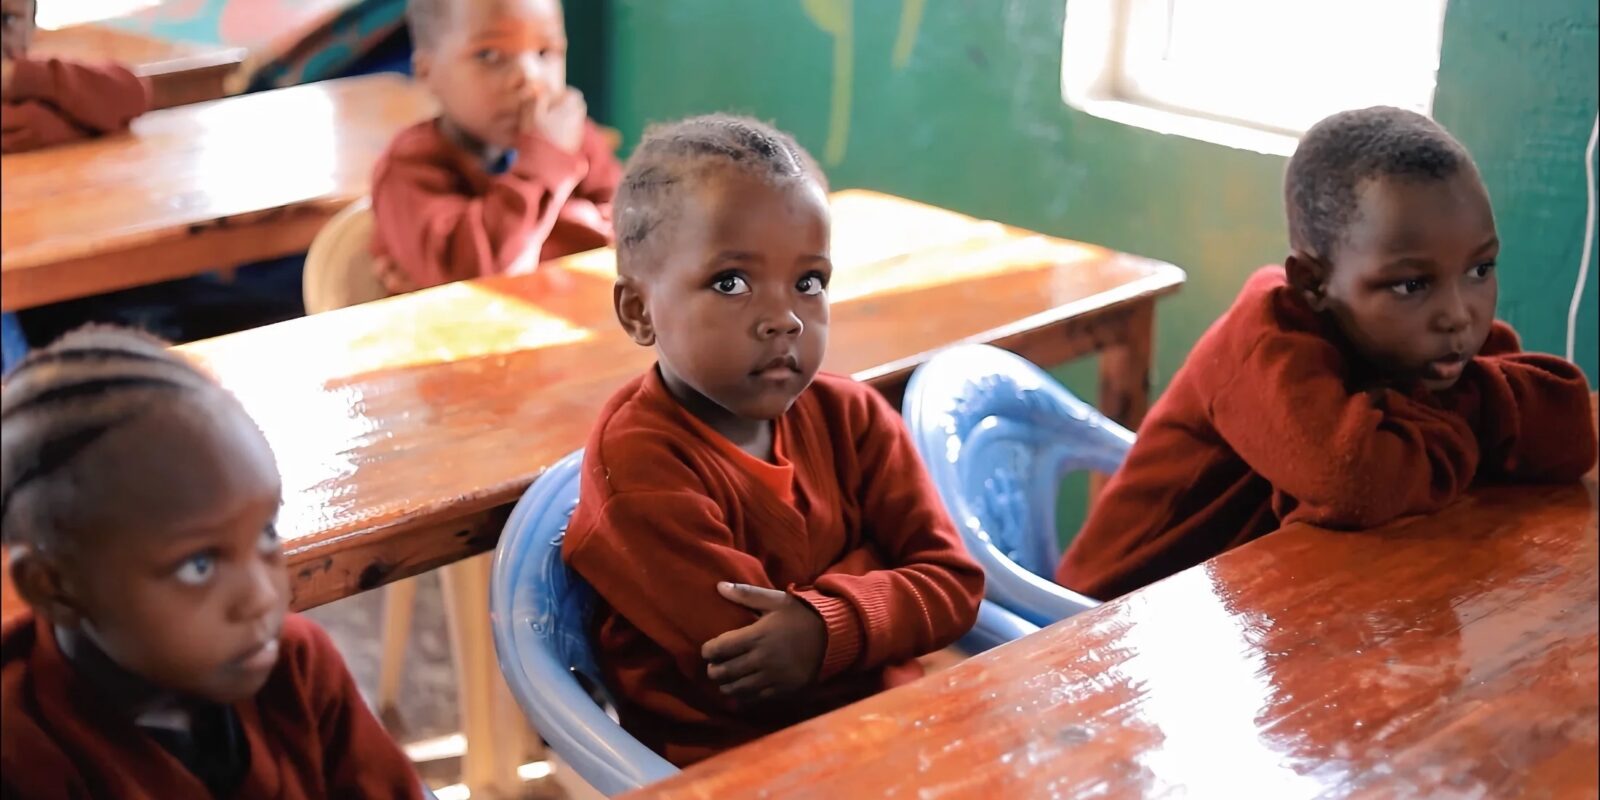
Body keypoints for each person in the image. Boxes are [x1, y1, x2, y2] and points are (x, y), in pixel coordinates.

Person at [562, 114, 985, 766]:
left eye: (808, 281)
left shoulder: (854, 416)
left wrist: (822, 624)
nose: (784, 318)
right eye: (731, 282)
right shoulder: (640, 468)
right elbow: (751, 678)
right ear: (639, 312)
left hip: (892, 732)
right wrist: (883, 582)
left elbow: (956, 585)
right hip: (737, 767)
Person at [1058, 106, 1597, 600]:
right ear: (1313, 283)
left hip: (1253, 612)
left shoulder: (1423, 347)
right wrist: (1477, 421)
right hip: (1107, 625)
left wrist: (1449, 416)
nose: (1459, 314)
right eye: (1412, 284)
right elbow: (1356, 481)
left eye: (1480, 269)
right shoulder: (1266, 343)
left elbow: (1569, 429)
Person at [0, 326, 425, 798]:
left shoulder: (297, 667)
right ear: (53, 585)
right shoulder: (23, 755)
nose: (263, 598)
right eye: (198, 565)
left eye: (266, 532)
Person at [369, 0, 621, 295]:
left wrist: (542, 238)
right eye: (489, 55)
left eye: (544, 52)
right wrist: (549, 171)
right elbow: (479, 282)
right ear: (427, 72)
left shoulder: (574, 140)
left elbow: (634, 237)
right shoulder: (409, 169)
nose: (529, 77)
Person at [1, 0, 150, 153]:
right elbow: (27, 126)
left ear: (31, 26)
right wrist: (86, 122)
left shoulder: (34, 75)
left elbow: (130, 94)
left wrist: (20, 77)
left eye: (6, 19)